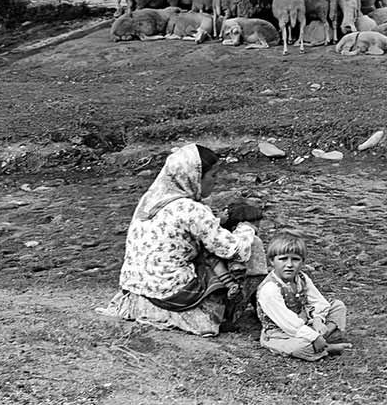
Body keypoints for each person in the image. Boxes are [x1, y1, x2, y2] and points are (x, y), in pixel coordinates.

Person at [96, 143, 264, 336]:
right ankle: (235, 312)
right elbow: (236, 250)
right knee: (253, 245)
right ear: (194, 177)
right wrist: (247, 228)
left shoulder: (150, 200)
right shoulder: (192, 209)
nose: (216, 181)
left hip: (136, 286)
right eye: (213, 175)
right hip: (171, 292)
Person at [256, 230, 351, 361]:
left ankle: (320, 340)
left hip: (304, 323)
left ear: (302, 262)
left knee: (337, 306)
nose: (289, 265)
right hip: (280, 333)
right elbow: (288, 323)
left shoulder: (301, 277)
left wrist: (318, 320)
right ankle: (326, 346)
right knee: (300, 347)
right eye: (283, 259)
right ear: (272, 261)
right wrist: (314, 337)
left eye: (295, 259)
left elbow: (318, 301)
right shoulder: (269, 288)